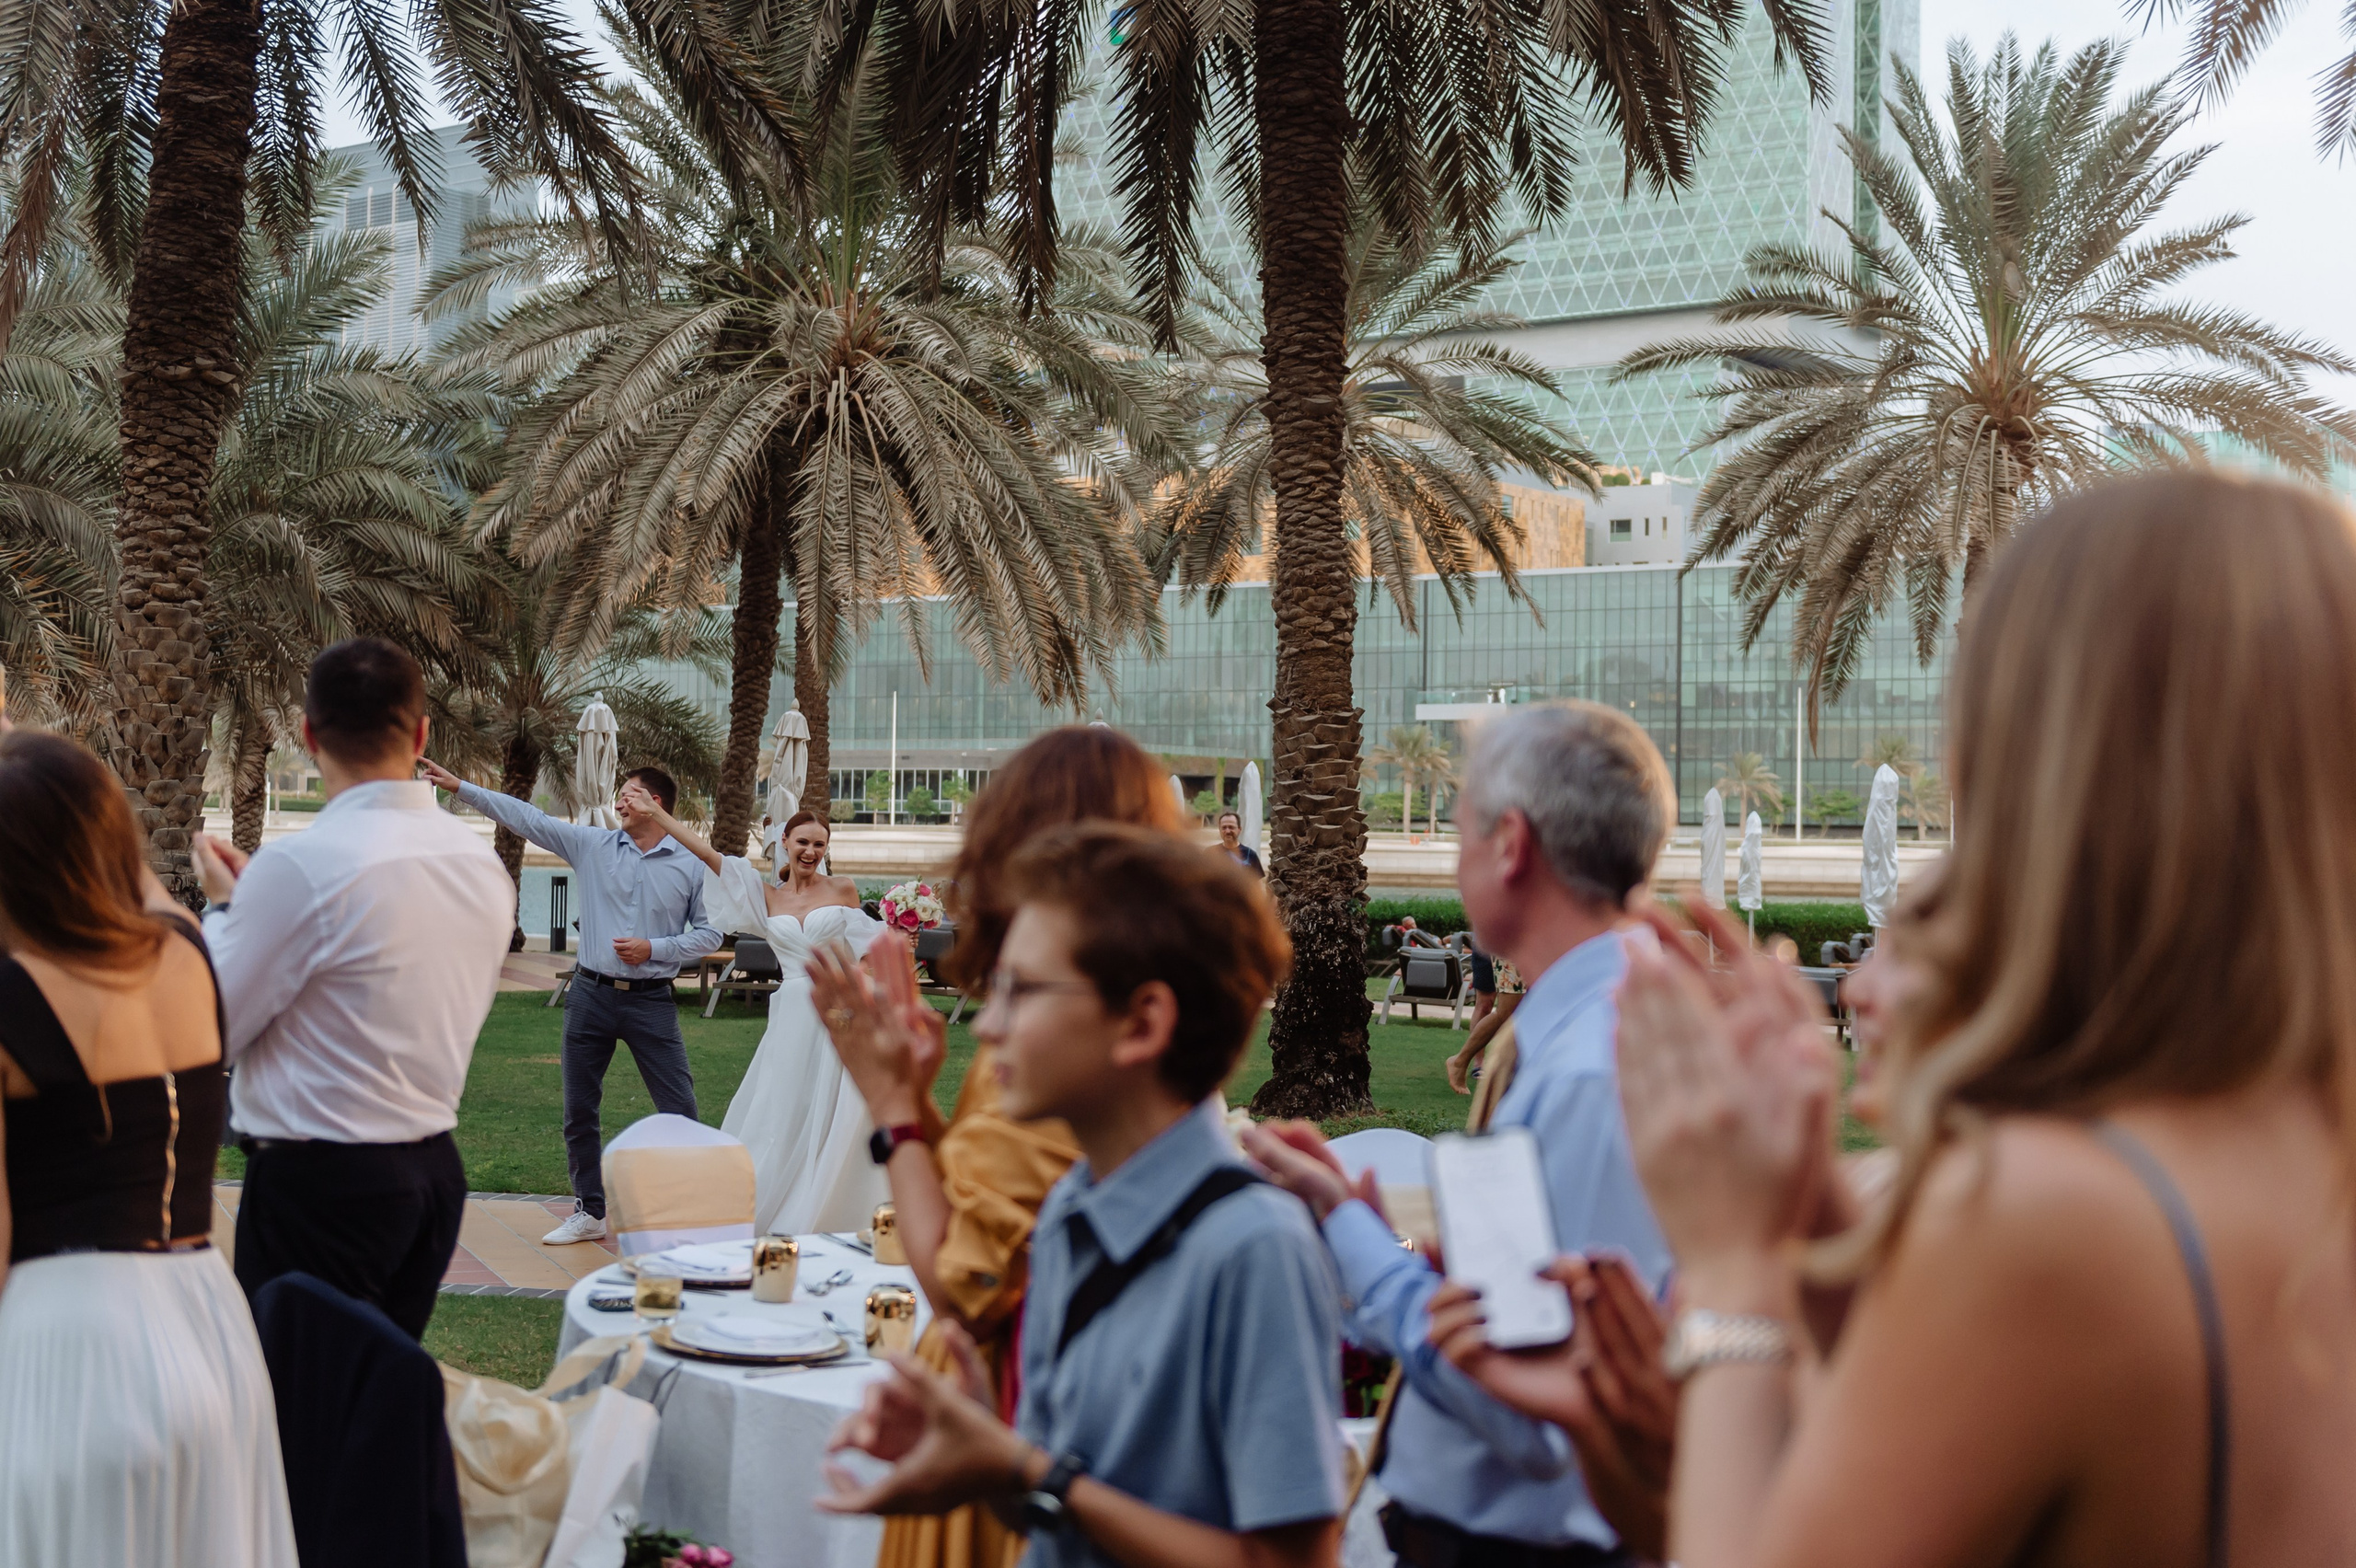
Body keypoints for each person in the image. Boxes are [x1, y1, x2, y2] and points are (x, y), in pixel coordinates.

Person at [1462, 473, 2356, 1564]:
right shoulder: (2293, 1153)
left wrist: (1736, 1269)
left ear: (2045, 768)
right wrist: (1811, 1204)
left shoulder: (2050, 1214)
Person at [819, 824, 1347, 1568]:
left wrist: (1021, 1468)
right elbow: (1057, 1501)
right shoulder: (1071, 1207)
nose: (989, 1026)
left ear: (1142, 1022)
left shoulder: (1255, 1249)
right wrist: (983, 1455)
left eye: (1021, 990)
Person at [1242, 699, 1677, 1568]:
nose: (1453, 856)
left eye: (1460, 827)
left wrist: (1351, 1238)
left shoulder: (1592, 1069)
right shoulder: (1586, 1032)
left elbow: (1529, 1403)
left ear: (1510, 845)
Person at [807, 725, 1184, 1568]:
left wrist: (895, 1109)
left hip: (1004, 1412)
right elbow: (997, 1206)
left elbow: (965, 1282)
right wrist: (921, 1104)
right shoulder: (1099, 1017)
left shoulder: (1073, 1052)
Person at [0, 730, 297, 1564]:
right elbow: (131, 877)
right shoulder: (186, 948)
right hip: (209, 1329)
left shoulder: (12, 1000)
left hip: (67, 1348)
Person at [195, 639, 511, 1336]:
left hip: (320, 1188)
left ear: (308, 735)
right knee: (377, 1387)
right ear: (421, 735)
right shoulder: (480, 865)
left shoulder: (300, 866)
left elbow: (210, 1025)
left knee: (297, 1394)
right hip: (433, 1175)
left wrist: (223, 911)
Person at [419, 756, 722, 1244]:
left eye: (629, 794)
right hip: (589, 997)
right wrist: (461, 787)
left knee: (679, 1110)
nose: (619, 802)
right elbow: (529, 818)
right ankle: (589, 1211)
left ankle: (692, 1213)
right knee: (579, 1111)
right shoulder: (592, 845)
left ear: (655, 803)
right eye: (619, 793)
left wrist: (655, 948)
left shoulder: (691, 864)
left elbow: (710, 935)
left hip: (651, 1003)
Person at [630, 797, 889, 1233]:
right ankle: (766, 1202)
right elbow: (708, 855)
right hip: (792, 1016)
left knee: (837, 1109)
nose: (811, 852)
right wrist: (657, 816)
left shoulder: (842, 889)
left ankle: (828, 1205)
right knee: (782, 1107)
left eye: (820, 844)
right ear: (784, 842)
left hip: (838, 1012)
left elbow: (866, 952)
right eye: (803, 842)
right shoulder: (765, 897)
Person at [1213, 808, 1262, 877]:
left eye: (1231, 827)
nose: (1227, 831)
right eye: (1224, 827)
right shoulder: (1210, 853)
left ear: (1239, 829)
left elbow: (1257, 883)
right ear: (1219, 829)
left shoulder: (1250, 855)